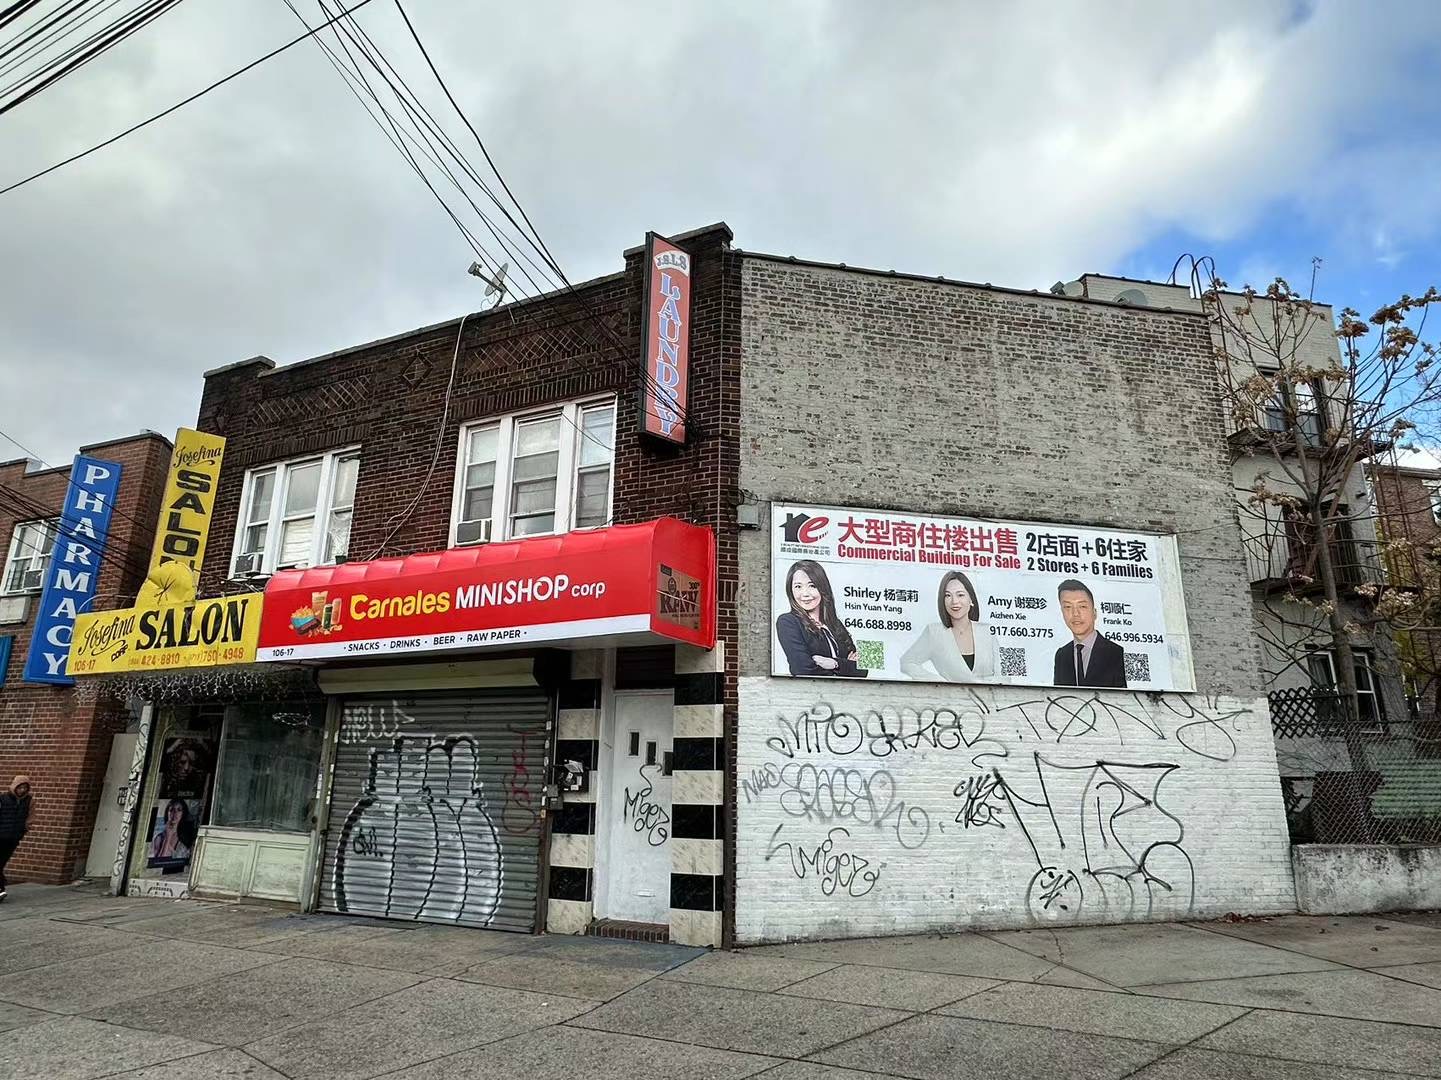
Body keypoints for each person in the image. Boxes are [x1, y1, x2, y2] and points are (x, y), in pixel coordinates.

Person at [775, 560, 867, 677]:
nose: (805, 593)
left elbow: (864, 669)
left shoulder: (835, 623)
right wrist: (847, 666)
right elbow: (803, 670)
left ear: (822, 587)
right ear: (790, 590)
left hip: (846, 689)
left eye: (812, 586)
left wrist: (834, 663)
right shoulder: (787, 621)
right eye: (798, 586)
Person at [900, 570, 996, 682]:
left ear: (971, 599)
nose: (954, 601)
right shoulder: (934, 632)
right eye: (948, 595)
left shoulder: (987, 632)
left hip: (989, 693)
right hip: (951, 693)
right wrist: (939, 683)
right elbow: (907, 662)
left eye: (960, 595)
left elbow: (1002, 675)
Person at [1052, 578, 1127, 688]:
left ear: (1094, 613)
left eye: (1082, 606)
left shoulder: (1116, 652)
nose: (1075, 613)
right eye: (1068, 607)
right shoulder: (1062, 655)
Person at [0, 776, 32, 901]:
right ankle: (1, 888)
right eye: (20, 787)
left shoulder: (29, 801)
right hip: (1, 835)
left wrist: (23, 830)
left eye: (25, 788)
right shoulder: (3, 798)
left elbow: (30, 817)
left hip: (13, 838)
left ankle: (1, 888)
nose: (22, 790)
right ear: (14, 786)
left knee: (1, 862)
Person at [150, 798, 196, 863]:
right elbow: (158, 863)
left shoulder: (188, 835)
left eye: (179, 810)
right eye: (171, 810)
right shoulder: (159, 838)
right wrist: (168, 836)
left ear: (183, 814)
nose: (175, 813)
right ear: (167, 813)